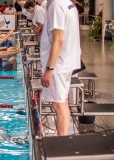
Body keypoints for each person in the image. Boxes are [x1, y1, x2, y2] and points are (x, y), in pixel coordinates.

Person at [40, 0, 81, 136]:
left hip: (58, 64)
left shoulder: (56, 5)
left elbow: (58, 40)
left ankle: (62, 146)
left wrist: (49, 69)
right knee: (62, 103)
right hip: (66, 60)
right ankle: (64, 143)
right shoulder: (67, 3)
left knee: (59, 106)